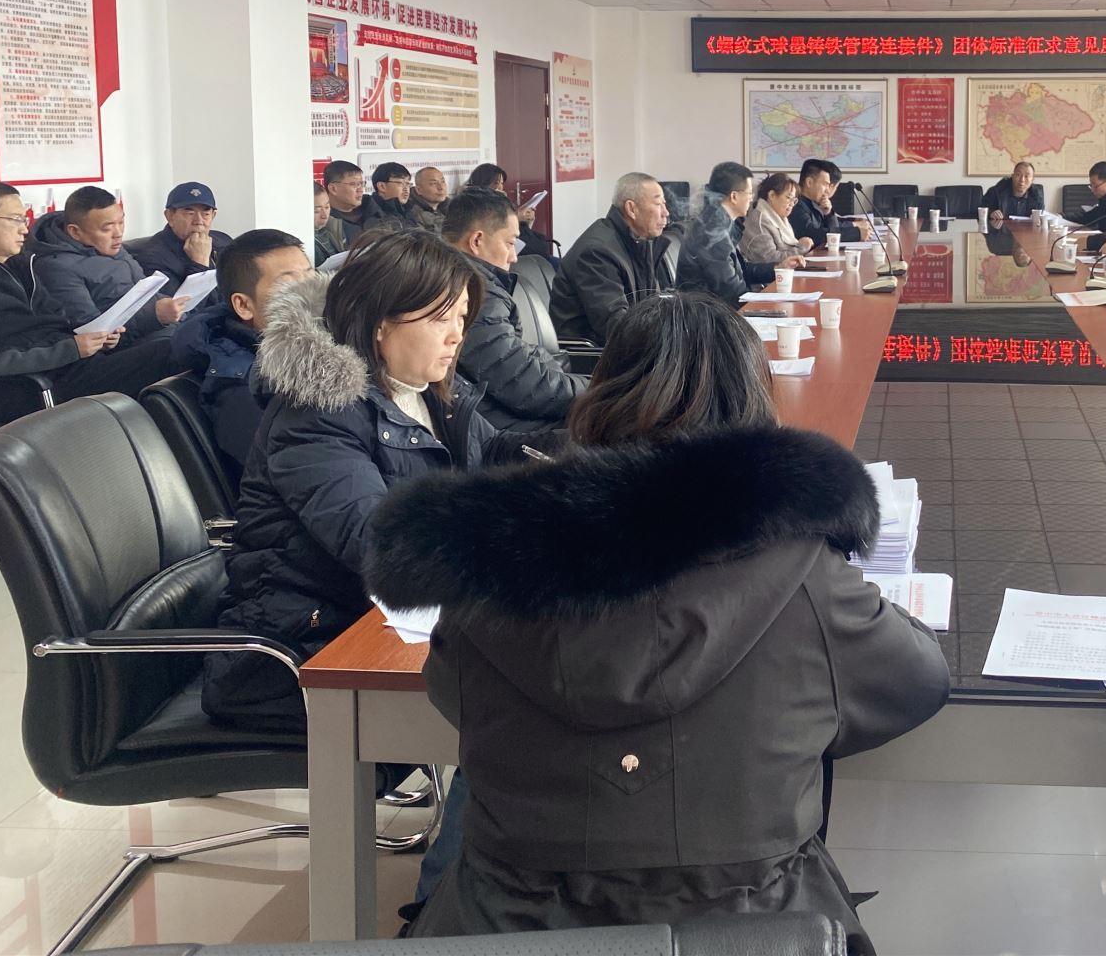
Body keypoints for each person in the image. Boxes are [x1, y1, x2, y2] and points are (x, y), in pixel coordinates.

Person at [365, 292, 951, 950]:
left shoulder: (488, 559)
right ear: (753, 405)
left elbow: (454, 695)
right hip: (755, 924)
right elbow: (915, 682)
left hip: (511, 927)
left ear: (601, 393)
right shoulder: (802, 568)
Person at [202, 230, 527, 730]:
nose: (457, 335)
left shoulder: (421, 385)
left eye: (462, 317)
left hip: (378, 622)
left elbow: (499, 451)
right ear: (380, 324)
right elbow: (380, 541)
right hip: (300, 651)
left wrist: (588, 452)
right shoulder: (318, 411)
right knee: (524, 706)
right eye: (440, 318)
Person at [0, 180, 176, 425]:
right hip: (38, 384)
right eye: (16, 220)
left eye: (24, 219)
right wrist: (71, 348)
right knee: (172, 350)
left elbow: (56, 320)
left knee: (185, 343)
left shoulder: (21, 266)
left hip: (71, 363)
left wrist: (94, 338)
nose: (25, 229)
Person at [169, 229, 313, 487]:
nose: (310, 292)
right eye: (289, 284)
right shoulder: (243, 388)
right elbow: (298, 482)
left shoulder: (315, 348)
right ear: (244, 306)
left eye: (310, 275)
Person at [445, 187, 583, 434]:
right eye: (510, 243)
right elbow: (524, 386)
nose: (514, 257)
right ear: (477, 241)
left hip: (490, 414)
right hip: (490, 428)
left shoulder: (452, 275)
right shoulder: (475, 291)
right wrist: (601, 391)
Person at [26, 185, 186, 343]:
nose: (118, 233)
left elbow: (143, 293)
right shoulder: (57, 267)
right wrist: (155, 316)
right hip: (127, 344)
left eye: (121, 222)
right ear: (75, 232)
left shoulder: (110, 247)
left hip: (159, 329)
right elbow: (91, 332)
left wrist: (173, 307)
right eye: (106, 228)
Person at [550, 172, 680, 345]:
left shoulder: (641, 242)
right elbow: (616, 327)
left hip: (629, 345)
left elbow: (651, 306)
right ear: (631, 209)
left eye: (664, 204)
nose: (666, 212)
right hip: (594, 353)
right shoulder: (596, 253)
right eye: (658, 204)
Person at [679, 162, 794, 302]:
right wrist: (766, 303)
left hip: (718, 307)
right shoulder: (712, 231)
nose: (752, 198)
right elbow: (730, 291)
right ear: (734, 196)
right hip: (709, 311)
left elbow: (741, 270)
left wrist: (778, 268)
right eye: (749, 193)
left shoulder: (720, 222)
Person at [133, 181, 232, 292]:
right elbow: (184, 303)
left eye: (206, 214)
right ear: (170, 216)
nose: (199, 221)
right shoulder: (152, 259)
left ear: (213, 216)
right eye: (190, 213)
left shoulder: (223, 240)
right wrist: (199, 263)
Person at [467, 162, 550, 260]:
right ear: (483, 183)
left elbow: (521, 230)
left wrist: (528, 221)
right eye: (496, 183)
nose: (500, 187)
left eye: (501, 183)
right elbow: (495, 229)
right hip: (508, 248)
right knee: (548, 258)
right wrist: (516, 218)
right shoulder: (476, 204)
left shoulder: (501, 200)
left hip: (522, 244)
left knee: (549, 256)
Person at [791, 159, 872, 248]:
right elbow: (814, 235)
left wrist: (828, 214)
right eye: (825, 184)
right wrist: (855, 233)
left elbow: (833, 229)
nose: (827, 190)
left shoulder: (813, 203)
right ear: (809, 182)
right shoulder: (795, 204)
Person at [739, 172, 812, 266]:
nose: (792, 204)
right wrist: (801, 248)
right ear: (772, 195)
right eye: (789, 198)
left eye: (794, 200)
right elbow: (770, 260)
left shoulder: (779, 218)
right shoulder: (759, 224)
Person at [317, 160, 385, 255]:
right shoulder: (324, 222)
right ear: (333, 189)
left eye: (361, 184)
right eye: (354, 184)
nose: (360, 190)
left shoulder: (376, 211)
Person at [1062, 161, 1106, 232]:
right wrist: (1062, 216)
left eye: (1095, 186)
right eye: (1091, 185)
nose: (1092, 190)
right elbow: (1089, 217)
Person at [370, 162, 416, 227]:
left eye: (408, 184)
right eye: (400, 183)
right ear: (381, 186)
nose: (406, 189)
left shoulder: (409, 210)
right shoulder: (371, 213)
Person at [409, 166, 449, 235]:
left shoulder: (452, 208)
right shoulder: (412, 214)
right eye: (433, 183)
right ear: (419, 190)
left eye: (443, 181)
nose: (441, 187)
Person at [312, 182, 338, 266]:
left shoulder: (339, 227)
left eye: (327, 207)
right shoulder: (305, 241)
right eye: (317, 211)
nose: (325, 216)